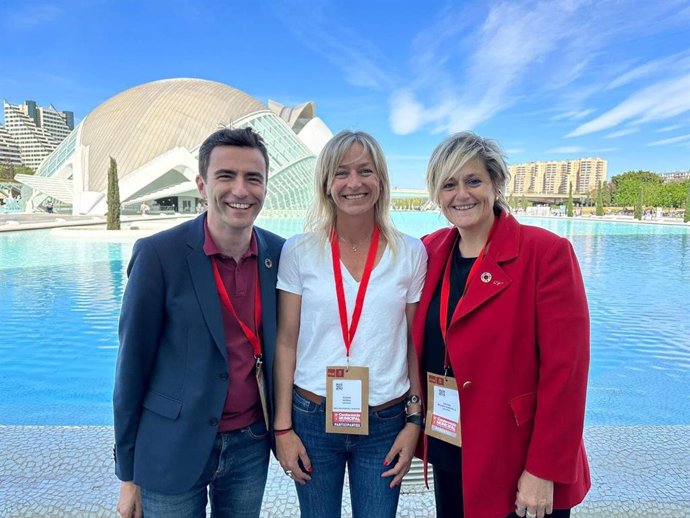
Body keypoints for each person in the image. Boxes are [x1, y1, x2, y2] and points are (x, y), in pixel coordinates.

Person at [413, 131, 590, 518]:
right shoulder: (429, 251)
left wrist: (543, 469)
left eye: (473, 180)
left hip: (517, 456)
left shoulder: (546, 254)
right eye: (449, 184)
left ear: (496, 183)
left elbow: (567, 373)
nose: (462, 194)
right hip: (450, 443)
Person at [113, 127, 285, 518]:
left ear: (265, 186)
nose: (240, 190)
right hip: (172, 445)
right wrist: (128, 473)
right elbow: (131, 368)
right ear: (202, 183)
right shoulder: (159, 255)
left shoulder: (280, 254)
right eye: (226, 176)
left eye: (253, 178)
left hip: (250, 444)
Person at [273, 130, 427, 518]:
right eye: (341, 173)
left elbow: (412, 343)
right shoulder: (299, 251)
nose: (354, 183)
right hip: (312, 418)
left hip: (386, 422)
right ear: (326, 183)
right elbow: (286, 342)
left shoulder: (409, 252)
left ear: (382, 180)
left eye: (365, 171)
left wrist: (414, 422)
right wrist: (283, 428)